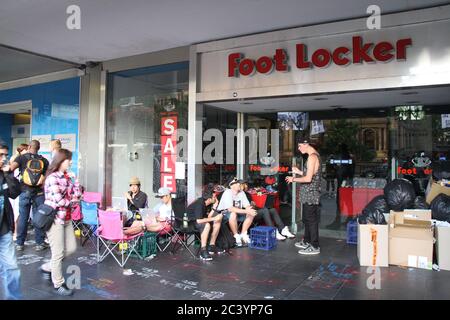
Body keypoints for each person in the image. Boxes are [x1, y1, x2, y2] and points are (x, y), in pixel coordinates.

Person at [40, 149, 81, 296]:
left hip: (67, 219)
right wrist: (73, 201)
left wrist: (75, 180)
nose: (70, 162)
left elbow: (77, 195)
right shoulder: (52, 178)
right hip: (55, 219)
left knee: (70, 248)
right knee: (57, 253)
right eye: (68, 159)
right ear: (60, 161)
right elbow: (60, 201)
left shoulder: (68, 177)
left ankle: (47, 267)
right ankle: (58, 284)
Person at [10, 140, 49, 252]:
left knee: (23, 217)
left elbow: (11, 169)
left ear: (29, 147)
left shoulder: (22, 158)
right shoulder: (44, 160)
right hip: (39, 193)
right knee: (39, 217)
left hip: (24, 191)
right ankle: (40, 243)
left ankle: (20, 243)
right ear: (39, 148)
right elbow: (48, 175)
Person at [286, 137, 322, 255]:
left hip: (311, 193)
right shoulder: (314, 155)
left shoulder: (312, 157)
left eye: (300, 146)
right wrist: (299, 171)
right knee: (307, 219)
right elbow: (310, 174)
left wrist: (293, 179)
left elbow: (308, 178)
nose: (298, 148)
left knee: (311, 220)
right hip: (309, 193)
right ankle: (307, 241)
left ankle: (315, 245)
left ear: (306, 144)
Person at [0, 145, 22, 300]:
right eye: (0, 155)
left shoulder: (3, 174)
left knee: (12, 267)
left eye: (5, 156)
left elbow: (14, 193)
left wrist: (7, 173)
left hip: (4, 228)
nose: (3, 159)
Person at [187, 185, 224, 261]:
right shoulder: (199, 203)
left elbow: (208, 217)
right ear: (209, 198)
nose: (216, 198)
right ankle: (203, 250)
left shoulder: (207, 204)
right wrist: (214, 218)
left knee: (217, 221)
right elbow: (198, 220)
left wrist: (214, 207)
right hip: (189, 223)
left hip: (197, 222)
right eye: (214, 196)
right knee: (206, 225)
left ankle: (211, 246)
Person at [216, 178, 257, 247]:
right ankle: (236, 236)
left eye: (241, 183)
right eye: (238, 184)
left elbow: (247, 205)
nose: (241, 185)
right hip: (224, 214)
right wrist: (246, 211)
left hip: (237, 213)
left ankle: (243, 234)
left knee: (251, 213)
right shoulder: (228, 192)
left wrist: (249, 209)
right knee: (233, 214)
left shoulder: (242, 193)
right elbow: (230, 209)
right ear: (232, 185)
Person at [326, 144, 355, 230]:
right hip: (347, 183)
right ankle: (348, 219)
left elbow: (342, 171)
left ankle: (338, 221)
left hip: (343, 183)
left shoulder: (344, 158)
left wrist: (335, 169)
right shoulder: (348, 158)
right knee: (347, 202)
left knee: (341, 202)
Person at [9, 144, 28, 239]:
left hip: (18, 190)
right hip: (16, 190)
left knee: (18, 213)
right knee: (16, 212)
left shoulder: (20, 158)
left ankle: (16, 233)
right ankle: (15, 233)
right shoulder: (17, 159)